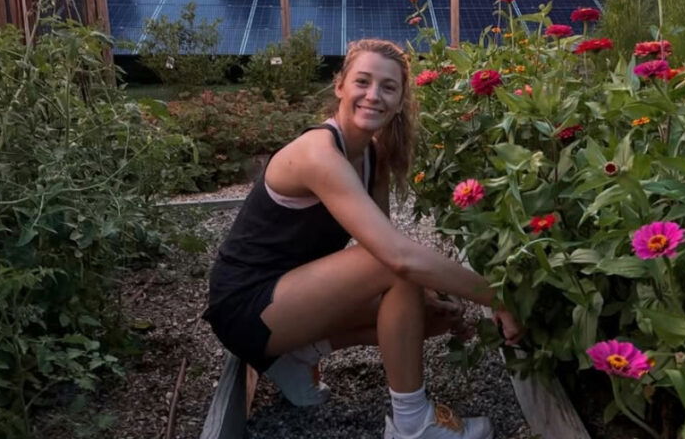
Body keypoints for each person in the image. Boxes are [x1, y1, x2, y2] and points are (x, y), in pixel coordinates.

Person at [203, 38, 523, 439]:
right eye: (363, 82)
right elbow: (394, 258)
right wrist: (495, 297)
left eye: (388, 87)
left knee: (428, 314)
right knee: (394, 266)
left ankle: (301, 353)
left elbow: (381, 244)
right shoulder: (317, 153)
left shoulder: (374, 156)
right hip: (245, 306)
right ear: (340, 86)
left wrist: (428, 301)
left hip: (288, 295)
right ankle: (413, 424)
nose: (374, 95)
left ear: (401, 97)